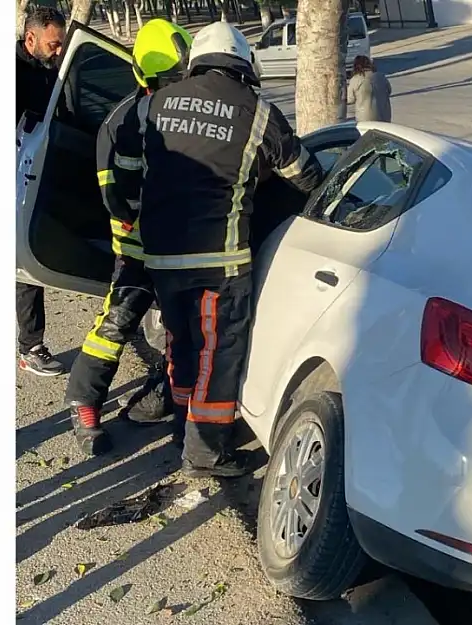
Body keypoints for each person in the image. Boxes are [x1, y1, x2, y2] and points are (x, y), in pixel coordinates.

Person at [114, 21, 324, 477]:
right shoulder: (258, 111)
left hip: (163, 258)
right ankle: (205, 453)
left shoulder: (154, 105)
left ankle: (183, 429)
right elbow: (307, 176)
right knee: (217, 353)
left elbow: (127, 174)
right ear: (246, 64)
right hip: (219, 261)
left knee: (183, 345)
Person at [62, 19, 195, 455]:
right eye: (168, 81)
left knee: (181, 331)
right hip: (139, 249)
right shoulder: (120, 124)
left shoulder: (187, 115)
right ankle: (84, 406)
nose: (176, 89)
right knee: (116, 323)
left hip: (181, 249)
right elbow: (114, 196)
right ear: (145, 75)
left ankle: (162, 399)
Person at [16, 6, 67, 376]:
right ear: (30, 38)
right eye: (54, 44)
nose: (59, 50)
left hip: (41, 171)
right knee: (23, 267)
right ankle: (30, 346)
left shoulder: (53, 71)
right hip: (17, 177)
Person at [346, 55, 393, 123]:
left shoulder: (356, 79)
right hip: (384, 115)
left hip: (365, 117)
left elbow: (350, 99)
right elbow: (389, 91)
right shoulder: (381, 76)